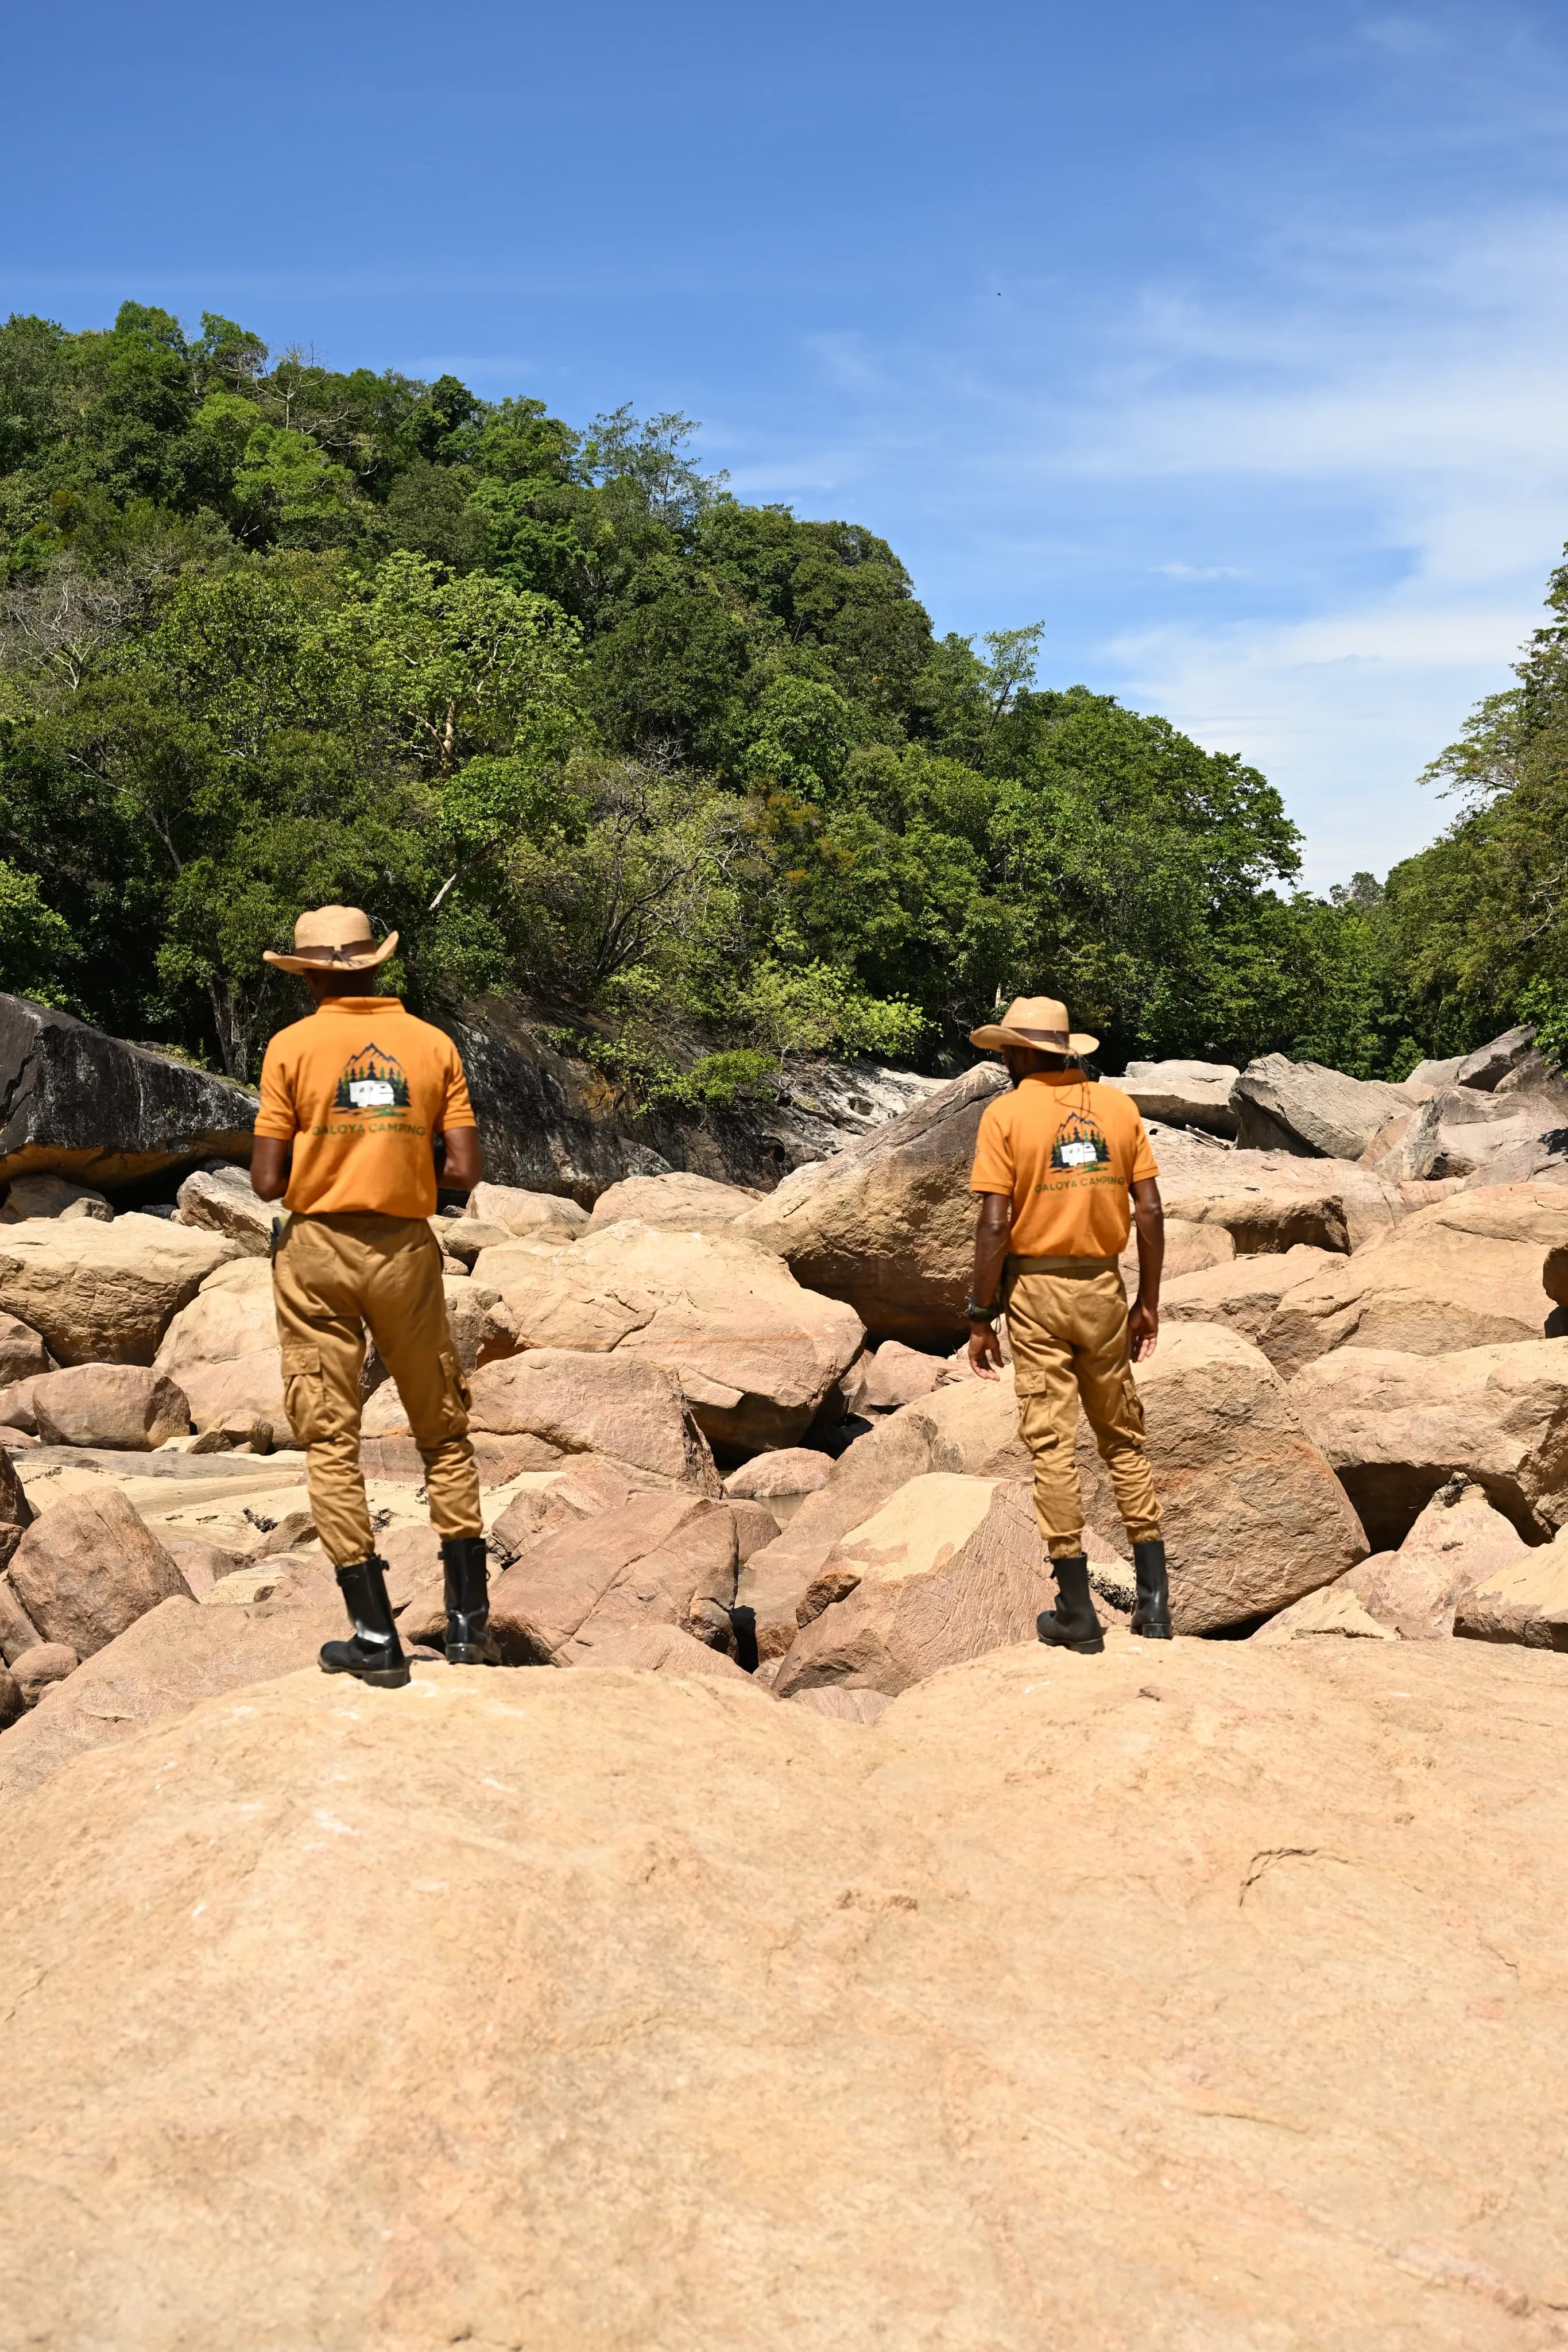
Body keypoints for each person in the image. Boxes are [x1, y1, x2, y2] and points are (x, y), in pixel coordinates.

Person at [250, 904, 492, 1689]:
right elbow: (463, 1171)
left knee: (330, 1439)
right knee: (441, 1431)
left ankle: (372, 1634)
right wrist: (397, 1154)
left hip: (317, 1252)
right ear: (376, 965)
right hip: (404, 1252)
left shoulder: (290, 1047)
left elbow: (265, 1182)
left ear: (311, 973)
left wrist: (330, 1156)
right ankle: (464, 1626)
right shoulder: (431, 1044)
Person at [965, 995, 1170, 1653]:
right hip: (1104, 1287)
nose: (1003, 1059)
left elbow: (995, 1223)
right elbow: (1150, 1210)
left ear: (1026, 1053)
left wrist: (979, 1312)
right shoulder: (1118, 1109)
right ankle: (1155, 1606)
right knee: (1123, 1438)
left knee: (1052, 1444)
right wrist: (1148, 1299)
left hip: (1035, 1289)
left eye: (1007, 1050)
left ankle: (1076, 1613)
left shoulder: (1005, 1114)